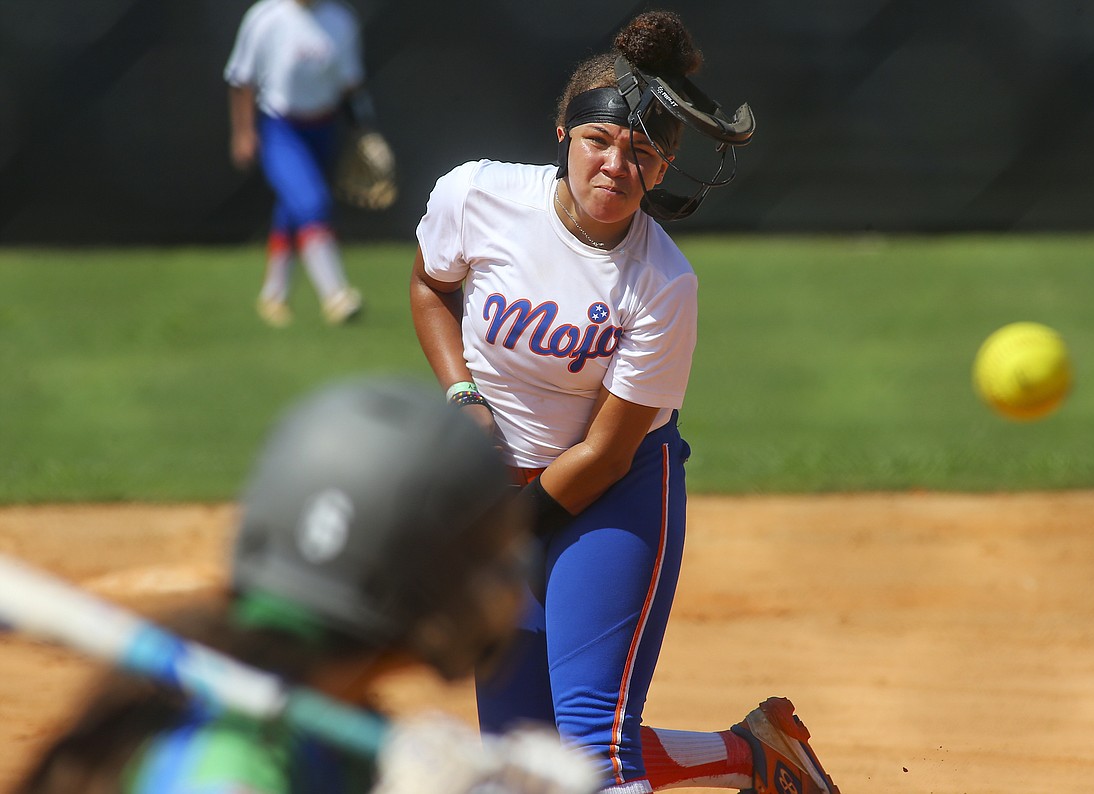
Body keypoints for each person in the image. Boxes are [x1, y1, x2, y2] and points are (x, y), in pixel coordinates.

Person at [410, 10, 840, 794]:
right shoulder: (477, 196)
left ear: (667, 160)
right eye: (598, 141)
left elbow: (606, 453)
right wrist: (463, 394)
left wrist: (504, 530)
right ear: (563, 132)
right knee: (519, 766)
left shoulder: (662, 283)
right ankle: (754, 753)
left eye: (641, 150)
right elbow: (430, 287)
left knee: (592, 754)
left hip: (615, 495)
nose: (615, 164)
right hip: (502, 497)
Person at [13, 377, 597, 794]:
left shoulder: (329, 724)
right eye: (487, 553)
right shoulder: (227, 766)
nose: (503, 574)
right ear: (421, 580)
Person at [224, 0, 372, 327]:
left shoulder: (340, 20)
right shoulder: (266, 16)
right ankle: (336, 294)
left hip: (323, 126)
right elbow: (240, 78)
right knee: (311, 202)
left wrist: (363, 130)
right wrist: (244, 132)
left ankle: (273, 296)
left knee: (293, 209)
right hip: (281, 127)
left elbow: (350, 83)